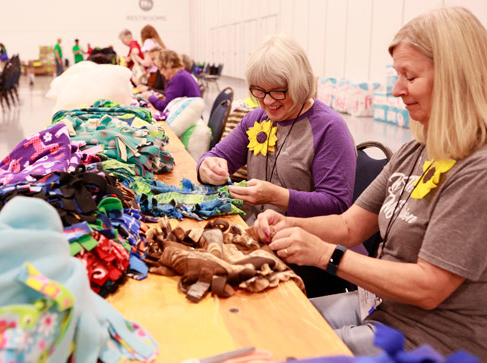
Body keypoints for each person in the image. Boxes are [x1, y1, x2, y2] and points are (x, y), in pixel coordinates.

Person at [252, 7, 487, 359]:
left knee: (276, 348)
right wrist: (289, 223)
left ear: (456, 77)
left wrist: (324, 255)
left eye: (409, 76)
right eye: (397, 76)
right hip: (382, 311)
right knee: (263, 322)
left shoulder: (477, 172)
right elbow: (349, 225)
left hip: (429, 341)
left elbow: (429, 287)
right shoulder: (414, 151)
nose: (396, 90)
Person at [197, 35, 356, 297]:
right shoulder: (257, 118)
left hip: (305, 255)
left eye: (278, 91)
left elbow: (337, 205)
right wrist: (207, 168)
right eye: (258, 91)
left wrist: (278, 197)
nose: (268, 101)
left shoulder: (329, 128)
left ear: (301, 83)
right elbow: (214, 157)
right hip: (256, 240)